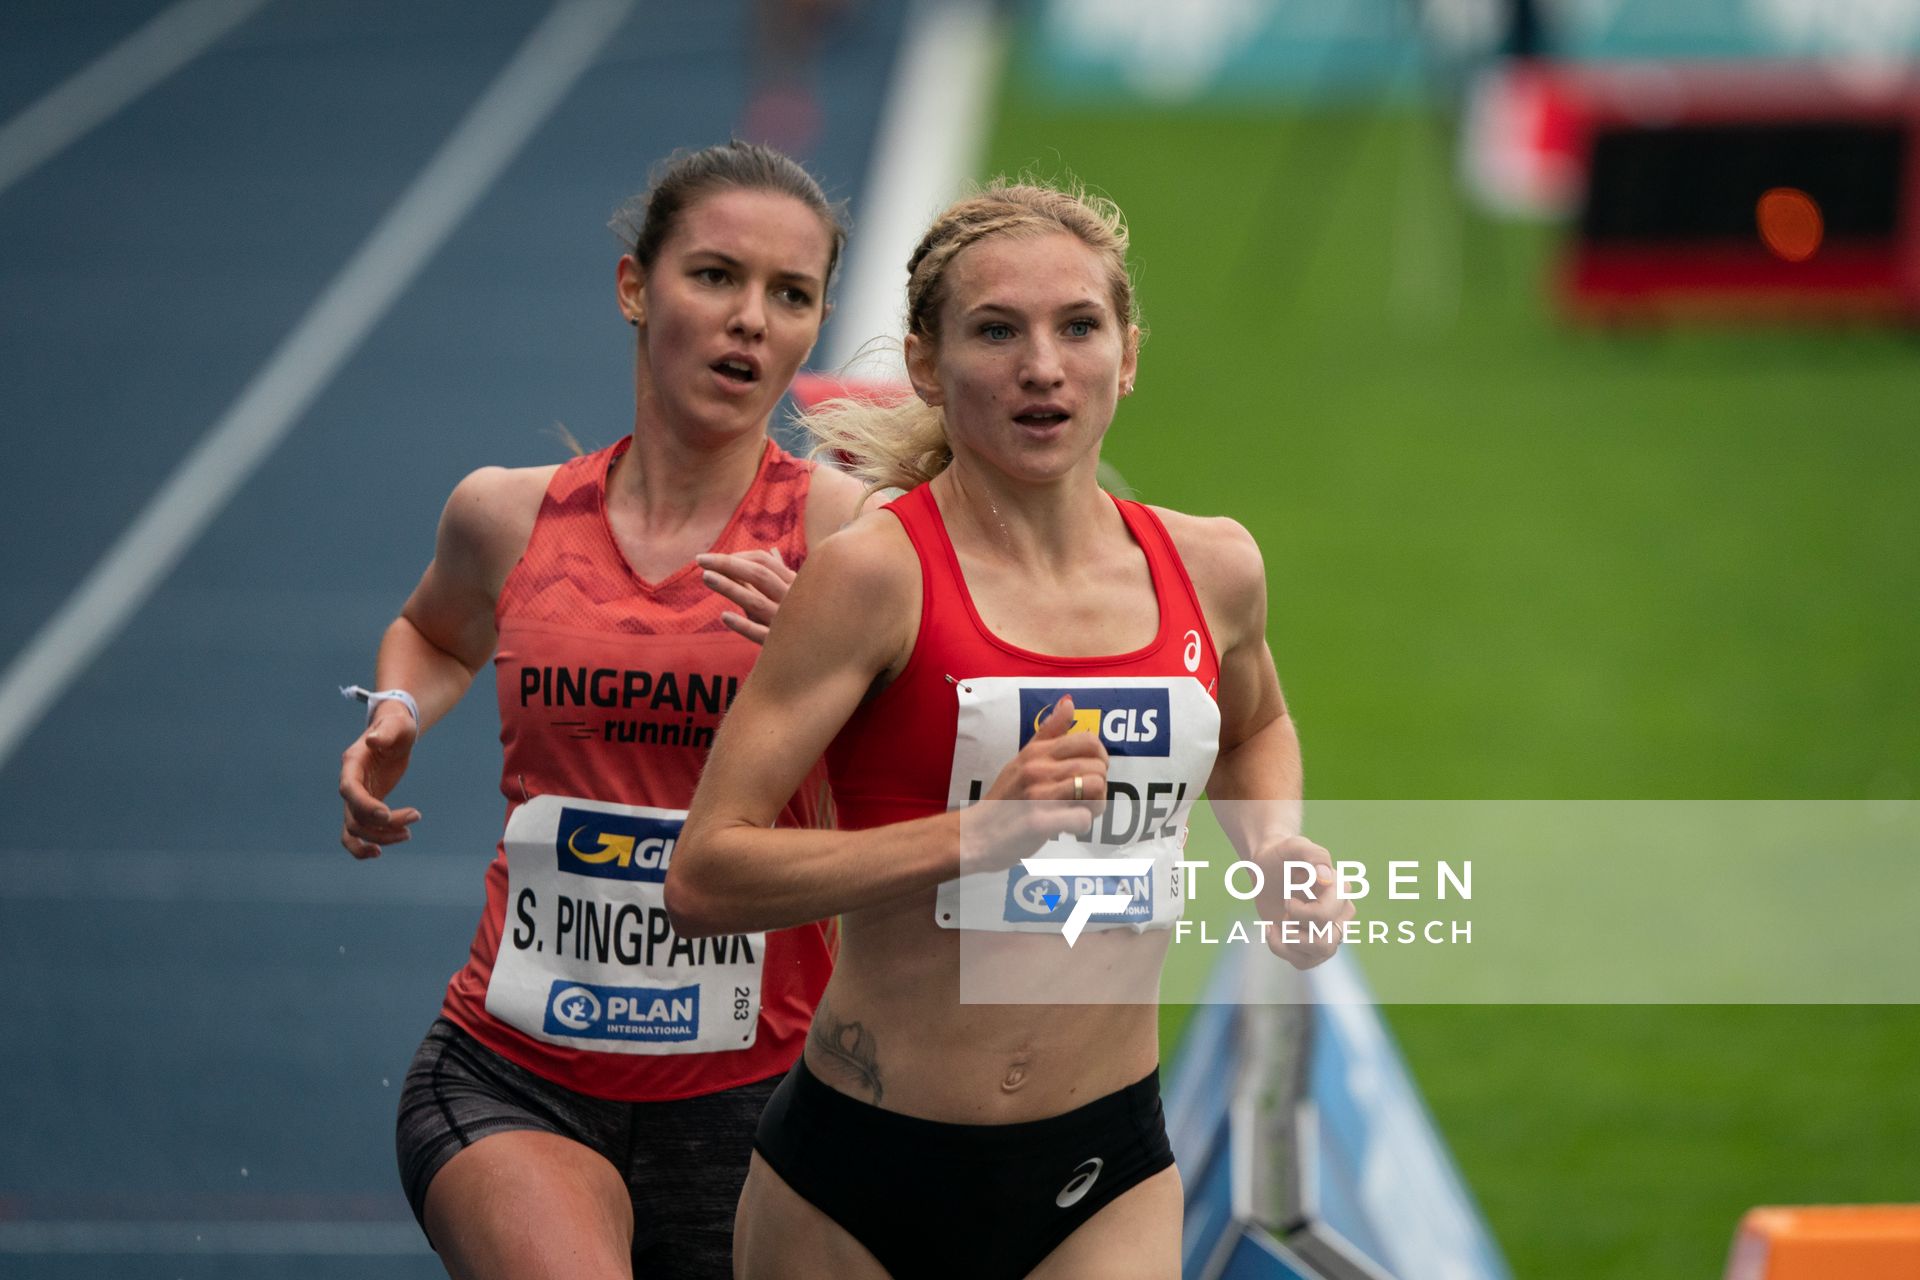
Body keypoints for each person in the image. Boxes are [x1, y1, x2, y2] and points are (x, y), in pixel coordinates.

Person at [668, 180, 1356, 1280]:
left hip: (1105, 1173)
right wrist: (975, 838)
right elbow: (707, 873)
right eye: (996, 331)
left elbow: (1253, 724)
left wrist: (1274, 848)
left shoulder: (1214, 565)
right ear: (926, 364)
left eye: (1079, 326)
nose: (1044, 366)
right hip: (858, 1179)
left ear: (1128, 355)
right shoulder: (870, 578)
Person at [335, 140, 864, 1280]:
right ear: (635, 287)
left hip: (767, 1096)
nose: (750, 320)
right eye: (715, 276)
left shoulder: (851, 541)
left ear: (817, 323)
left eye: (790, 295)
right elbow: (437, 631)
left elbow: (940, 756)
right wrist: (397, 709)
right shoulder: (505, 515)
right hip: (516, 1071)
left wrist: (837, 660)